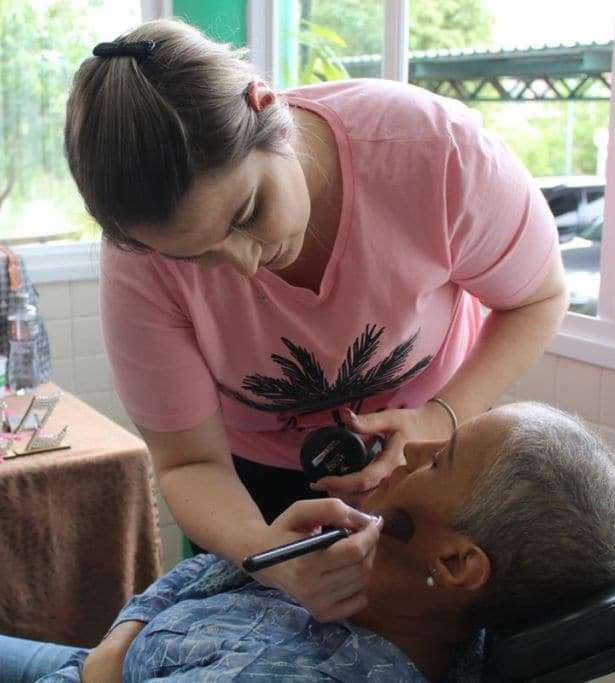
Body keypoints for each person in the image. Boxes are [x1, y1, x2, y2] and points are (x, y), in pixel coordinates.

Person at [63, 18, 569, 622]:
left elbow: (537, 298)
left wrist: (440, 415)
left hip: (427, 465)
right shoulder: (137, 263)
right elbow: (190, 463)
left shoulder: (433, 152)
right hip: (250, 494)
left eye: (247, 213)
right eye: (194, 256)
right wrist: (264, 551)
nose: (244, 264)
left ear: (265, 104)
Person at [0, 402, 615, 682]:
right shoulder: (359, 558)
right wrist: (256, 557)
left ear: (459, 560)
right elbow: (198, 571)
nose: (414, 442)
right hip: (112, 660)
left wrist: (103, 670)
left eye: (442, 455)